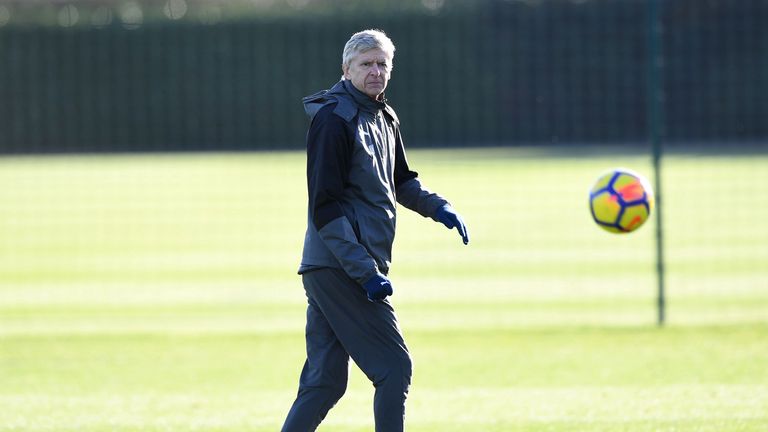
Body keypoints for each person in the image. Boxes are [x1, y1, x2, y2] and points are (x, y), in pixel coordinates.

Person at [281, 29, 469, 432]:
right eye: (366, 64)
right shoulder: (334, 119)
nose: (376, 72)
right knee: (394, 368)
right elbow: (325, 208)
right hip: (343, 267)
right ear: (346, 69)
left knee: (324, 382)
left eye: (383, 63)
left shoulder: (384, 115)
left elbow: (401, 181)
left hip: (335, 268)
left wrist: (439, 207)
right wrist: (366, 273)